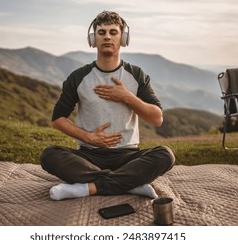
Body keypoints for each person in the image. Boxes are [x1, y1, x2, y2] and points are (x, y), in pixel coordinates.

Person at [40, 11, 175, 200]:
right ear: (93, 39)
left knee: (165, 155)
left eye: (113, 32)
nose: (107, 37)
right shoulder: (78, 77)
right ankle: (128, 184)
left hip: (128, 156)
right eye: (101, 32)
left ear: (123, 38)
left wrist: (127, 97)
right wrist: (88, 137)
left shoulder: (136, 74)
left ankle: (88, 188)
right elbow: (57, 120)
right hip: (89, 156)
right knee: (49, 155)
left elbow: (157, 118)